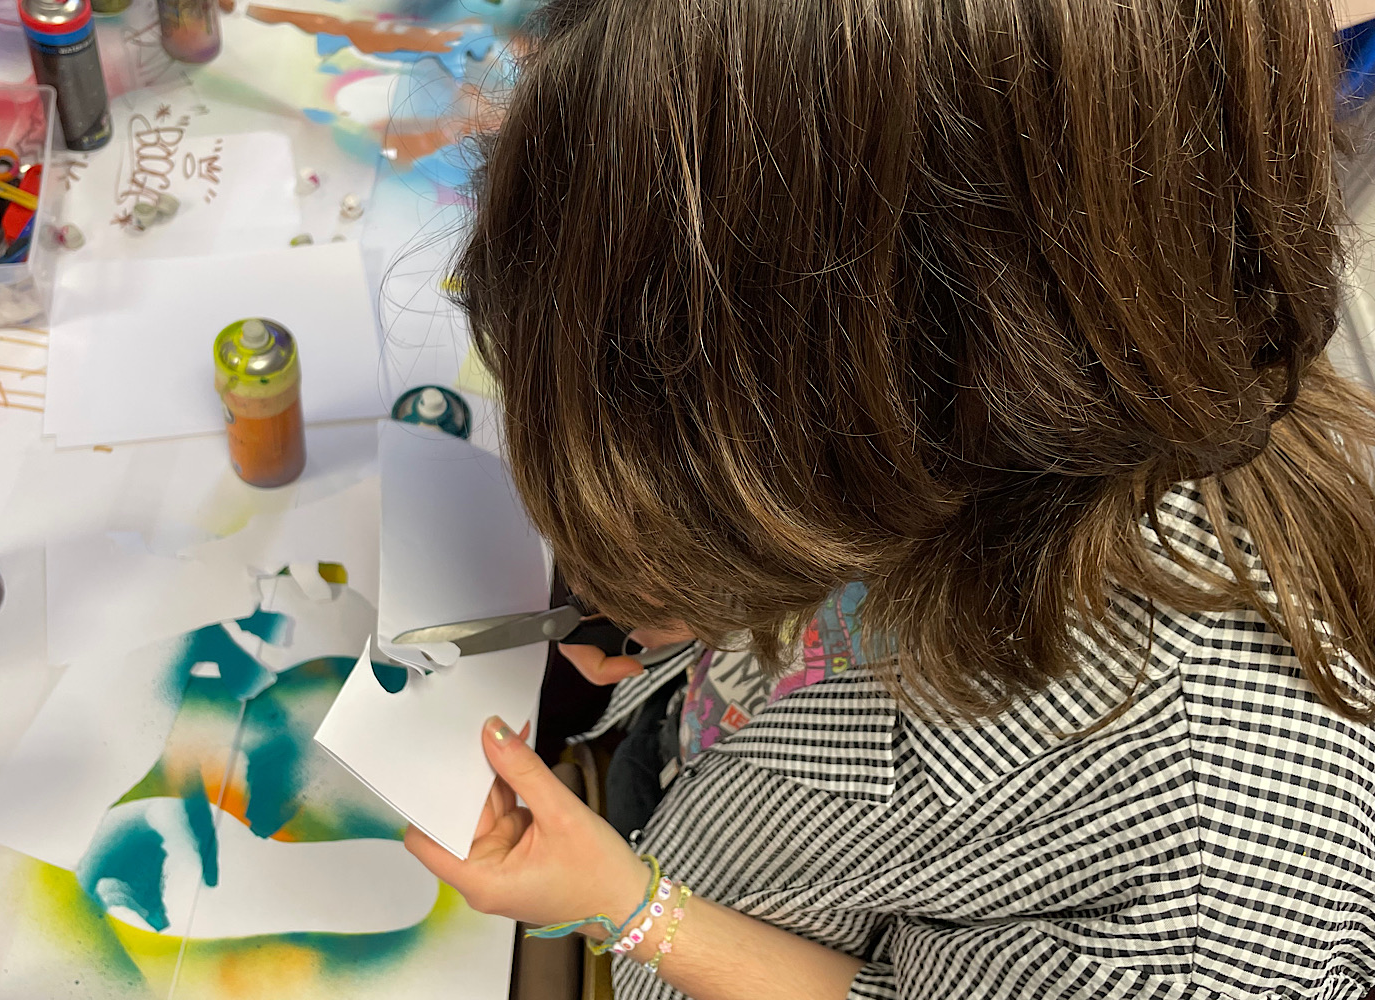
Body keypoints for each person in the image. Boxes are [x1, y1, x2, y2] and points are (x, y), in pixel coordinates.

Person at [400, 0, 1375, 996]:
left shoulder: (1215, 884)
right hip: (701, 768)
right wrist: (709, 615)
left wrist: (630, 903)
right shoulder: (983, 410)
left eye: (678, 444)